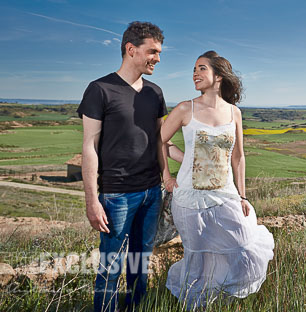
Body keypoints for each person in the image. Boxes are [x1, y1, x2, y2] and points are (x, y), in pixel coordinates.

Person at [78, 21, 183, 312]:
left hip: (152, 193)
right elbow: (89, 147)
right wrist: (92, 200)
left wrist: (172, 173)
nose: (157, 59)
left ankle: (137, 308)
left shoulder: (155, 93)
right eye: (153, 51)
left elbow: (159, 142)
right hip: (116, 196)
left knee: (141, 265)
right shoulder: (99, 90)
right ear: (130, 49)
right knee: (110, 268)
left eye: (159, 52)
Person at [160, 50, 274, 309]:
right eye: (194, 70)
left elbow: (238, 157)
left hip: (226, 195)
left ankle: (223, 295)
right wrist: (167, 174)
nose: (195, 74)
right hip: (189, 199)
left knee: (243, 244)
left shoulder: (234, 113)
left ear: (219, 76)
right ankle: (198, 304)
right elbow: (160, 141)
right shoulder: (184, 109)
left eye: (201, 69)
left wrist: (243, 196)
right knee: (198, 258)